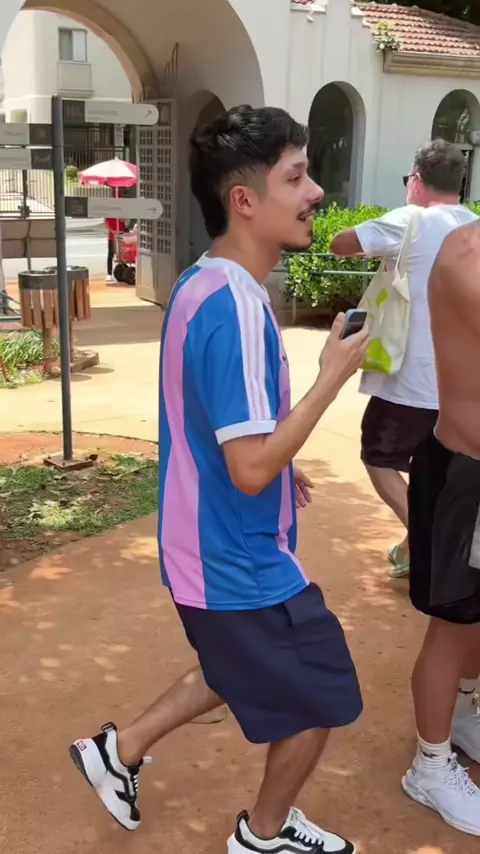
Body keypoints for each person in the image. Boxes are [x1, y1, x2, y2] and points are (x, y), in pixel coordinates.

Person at [69, 105, 369, 854]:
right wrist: (332, 377)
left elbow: (224, 428)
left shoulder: (203, 284)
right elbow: (249, 466)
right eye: (295, 178)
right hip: (236, 557)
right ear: (244, 200)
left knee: (232, 665)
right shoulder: (234, 306)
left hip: (204, 544)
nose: (316, 193)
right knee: (321, 692)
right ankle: (262, 836)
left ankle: (118, 751)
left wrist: (280, 460)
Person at [330, 140, 477, 578]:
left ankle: (430, 541)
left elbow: (341, 244)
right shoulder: (474, 229)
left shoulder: (410, 220)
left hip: (412, 378)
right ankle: (413, 547)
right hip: (464, 382)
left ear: (416, 180)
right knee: (440, 467)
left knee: (379, 456)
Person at [401, 219, 480, 835]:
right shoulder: (468, 254)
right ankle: (429, 765)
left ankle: (465, 713)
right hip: (465, 477)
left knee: (477, 616)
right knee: (451, 627)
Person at [105, 217, 127, 283]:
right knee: (110, 254)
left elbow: (124, 223)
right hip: (112, 237)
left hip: (121, 236)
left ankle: (123, 270)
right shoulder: (109, 214)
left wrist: (124, 220)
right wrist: (112, 231)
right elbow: (106, 223)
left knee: (122, 254)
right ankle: (109, 274)